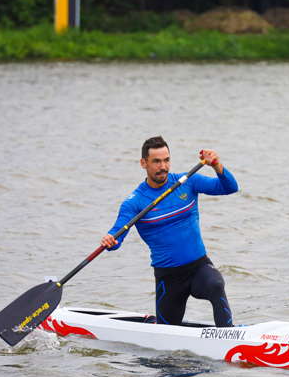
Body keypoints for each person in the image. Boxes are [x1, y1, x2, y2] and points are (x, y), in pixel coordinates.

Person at [101, 136, 239, 327]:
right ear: (144, 163)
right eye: (156, 161)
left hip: (200, 267)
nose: (163, 166)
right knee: (166, 338)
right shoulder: (136, 201)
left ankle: (229, 339)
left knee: (216, 285)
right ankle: (154, 324)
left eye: (166, 160)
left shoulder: (188, 182)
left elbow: (230, 188)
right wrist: (111, 239)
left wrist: (217, 165)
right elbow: (118, 232)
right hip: (169, 278)